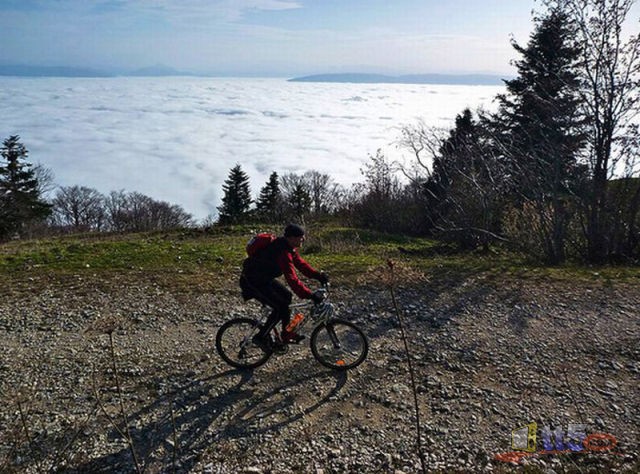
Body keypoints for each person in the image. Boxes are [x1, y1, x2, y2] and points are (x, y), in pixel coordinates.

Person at [240, 223, 328, 348]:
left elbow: (301, 265)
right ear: (291, 238)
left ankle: (286, 333)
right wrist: (310, 295)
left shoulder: (288, 248)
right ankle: (260, 337)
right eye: (300, 237)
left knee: (287, 297)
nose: (303, 239)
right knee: (280, 308)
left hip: (264, 279)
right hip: (252, 282)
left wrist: (318, 275)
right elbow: (292, 279)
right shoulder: (283, 253)